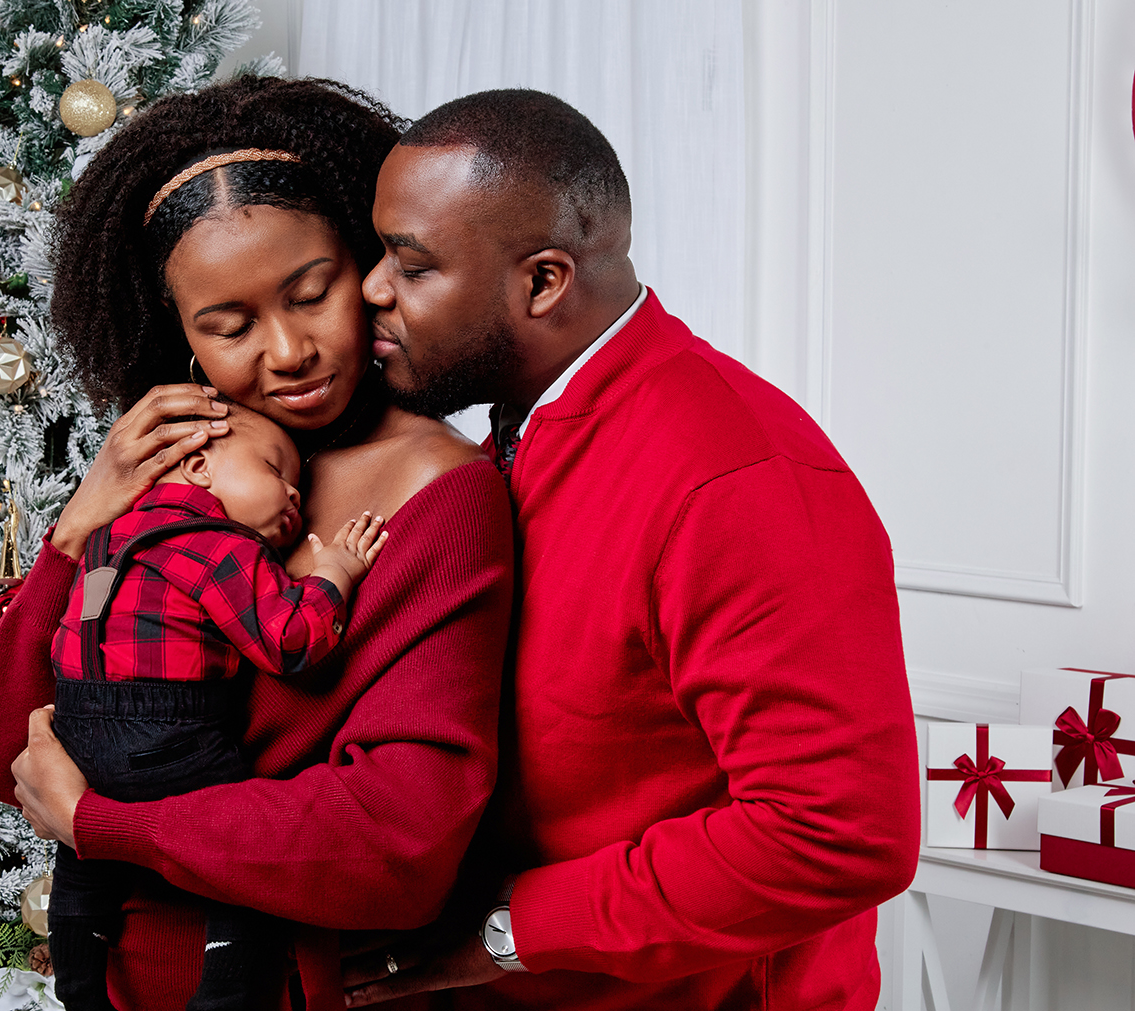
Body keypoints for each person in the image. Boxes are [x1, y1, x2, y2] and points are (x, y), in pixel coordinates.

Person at [340, 90, 920, 1011]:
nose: (370, 289)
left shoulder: (736, 479)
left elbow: (838, 831)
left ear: (542, 282)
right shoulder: (505, 434)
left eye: (410, 266)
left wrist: (514, 931)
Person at [0, 76, 513, 1011]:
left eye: (310, 292)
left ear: (365, 265)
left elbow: (397, 843)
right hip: (125, 982)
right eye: (230, 324)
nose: (288, 350)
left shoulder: (441, 493)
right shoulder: (175, 470)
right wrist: (74, 533)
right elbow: (0, 750)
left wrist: (107, 824)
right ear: (181, 337)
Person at [46, 405, 389, 1011]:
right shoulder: (222, 546)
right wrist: (334, 572)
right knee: (243, 848)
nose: (293, 491)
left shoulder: (106, 537)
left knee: (81, 865)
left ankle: (79, 989)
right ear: (199, 466)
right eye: (273, 468)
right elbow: (289, 643)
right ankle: (224, 994)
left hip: (76, 727)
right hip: (167, 727)